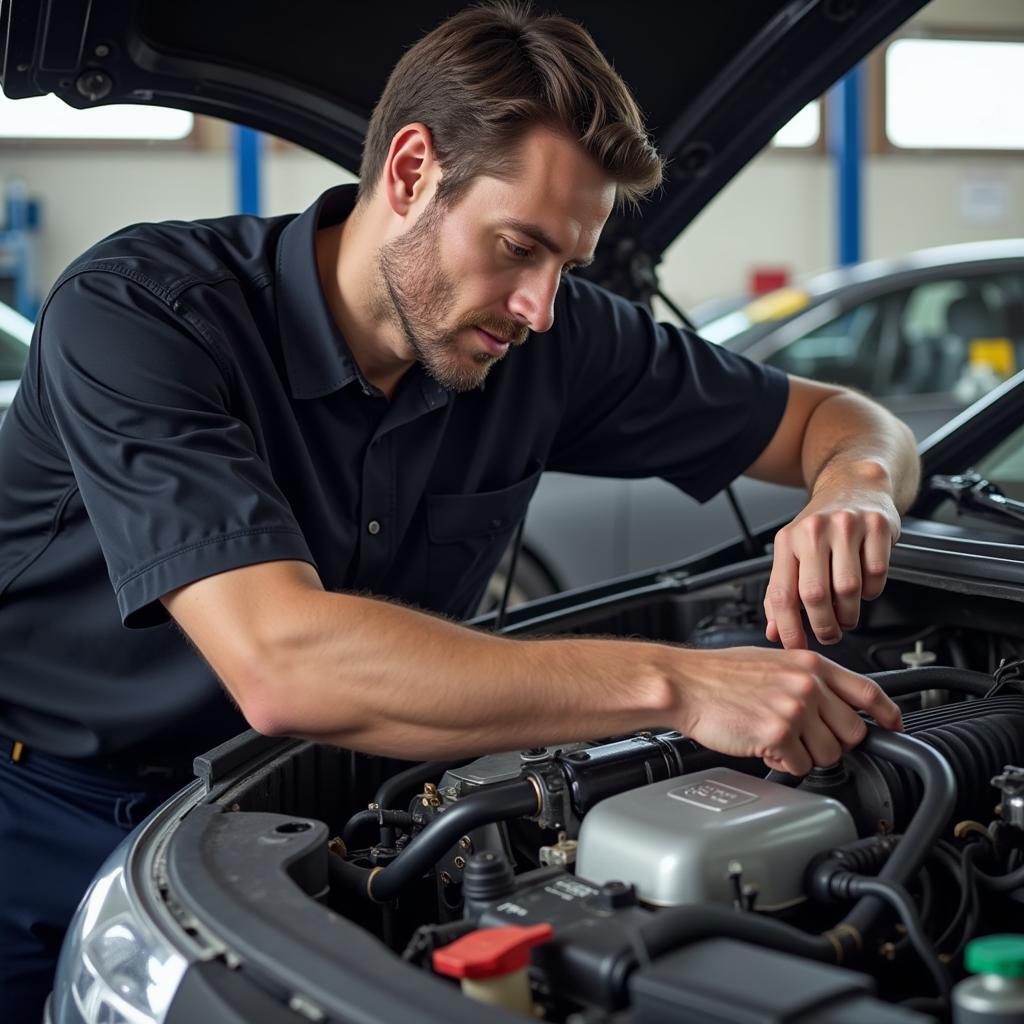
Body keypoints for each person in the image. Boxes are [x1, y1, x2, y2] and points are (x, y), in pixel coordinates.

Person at [0, 2, 918, 1016]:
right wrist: (682, 682)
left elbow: (844, 419)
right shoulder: (142, 313)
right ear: (407, 172)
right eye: (518, 247)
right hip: (49, 816)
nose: (541, 308)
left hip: (333, 814)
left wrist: (854, 490)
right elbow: (282, 661)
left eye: (567, 265)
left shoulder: (550, 343)